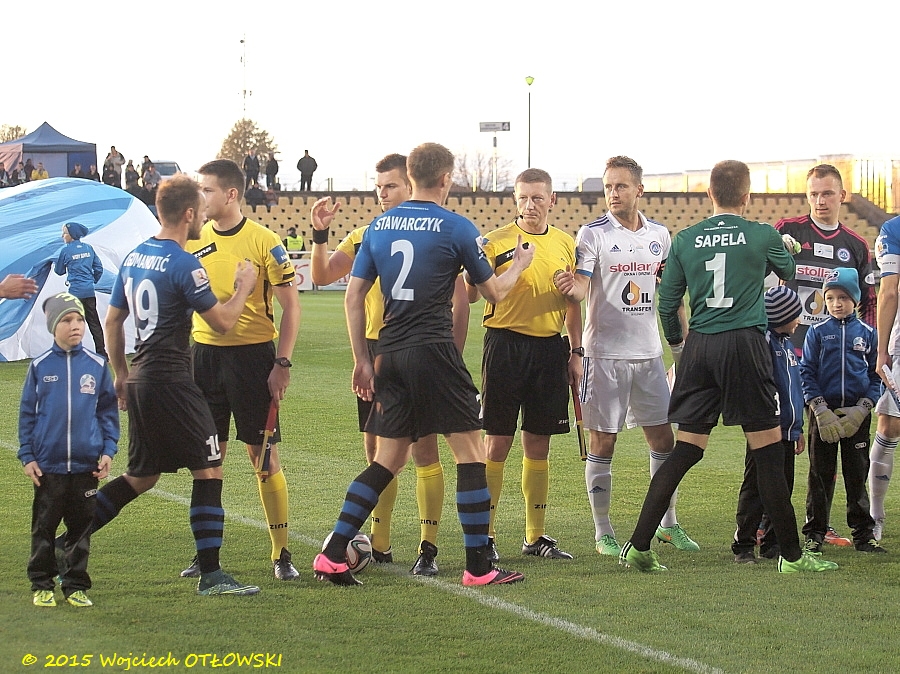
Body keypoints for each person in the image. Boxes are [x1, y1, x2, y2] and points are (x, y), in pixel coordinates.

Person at [313, 142, 534, 587]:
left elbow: (353, 296)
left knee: (388, 459)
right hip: (433, 350)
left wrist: (362, 360)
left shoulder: (378, 228)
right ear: (446, 178)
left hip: (388, 352)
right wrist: (520, 265)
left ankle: (333, 554)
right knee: (470, 452)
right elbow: (491, 292)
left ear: (410, 176)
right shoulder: (456, 227)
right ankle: (478, 567)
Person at [618, 159, 838, 574]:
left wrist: (680, 347)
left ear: (709, 194)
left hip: (701, 346)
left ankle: (639, 545)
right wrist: (785, 249)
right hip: (744, 346)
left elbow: (668, 303)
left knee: (687, 449)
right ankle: (792, 557)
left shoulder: (685, 239)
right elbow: (788, 270)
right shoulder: (761, 234)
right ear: (747, 196)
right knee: (767, 451)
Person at [86, 174, 261, 596]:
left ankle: (62, 543)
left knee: (141, 476)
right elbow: (222, 323)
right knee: (210, 469)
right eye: (200, 211)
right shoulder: (184, 264)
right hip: (173, 383)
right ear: (188, 214)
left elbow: (112, 320)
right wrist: (244, 287)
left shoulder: (135, 257)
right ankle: (212, 575)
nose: (204, 217)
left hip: (142, 379)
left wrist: (121, 373)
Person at [310, 152, 469, 576]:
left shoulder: (433, 232)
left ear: (410, 184)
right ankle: (380, 545)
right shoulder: (367, 234)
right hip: (378, 350)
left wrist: (453, 353)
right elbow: (322, 276)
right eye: (378, 187)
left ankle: (428, 548)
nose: (382, 194)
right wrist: (320, 234)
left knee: (424, 450)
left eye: (391, 186)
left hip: (417, 347)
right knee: (378, 451)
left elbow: (460, 300)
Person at [556, 156, 696, 558]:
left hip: (649, 355)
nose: (613, 194)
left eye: (620, 186)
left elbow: (671, 295)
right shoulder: (592, 234)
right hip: (604, 357)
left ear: (639, 190)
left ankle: (667, 525)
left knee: (664, 440)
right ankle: (603, 532)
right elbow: (581, 289)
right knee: (603, 442)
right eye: (608, 187)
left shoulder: (660, 235)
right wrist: (570, 286)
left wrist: (683, 347)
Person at [182, 159, 301, 581]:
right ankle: (206, 554)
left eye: (207, 190)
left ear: (231, 194)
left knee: (263, 456)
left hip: (253, 360)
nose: (201, 197)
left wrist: (281, 362)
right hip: (204, 359)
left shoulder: (264, 241)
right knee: (207, 460)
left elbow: (291, 307)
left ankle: (281, 553)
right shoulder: (192, 240)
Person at [466, 167, 580, 562]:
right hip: (505, 346)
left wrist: (576, 351)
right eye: (523, 198)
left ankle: (535, 536)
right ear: (515, 200)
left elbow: (573, 303)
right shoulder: (495, 241)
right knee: (497, 441)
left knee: (539, 442)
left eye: (537, 198)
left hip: (549, 349)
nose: (530, 205)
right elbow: (472, 295)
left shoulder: (565, 243)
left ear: (552, 200)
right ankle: (486, 535)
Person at [19, 293, 119, 608]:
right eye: (67, 320)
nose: (75, 326)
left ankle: (75, 585)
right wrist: (28, 456)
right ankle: (42, 584)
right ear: (53, 326)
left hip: (86, 465)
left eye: (79, 319)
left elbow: (107, 413)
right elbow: (27, 415)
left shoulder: (97, 365)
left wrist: (108, 450)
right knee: (44, 527)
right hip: (48, 466)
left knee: (80, 529)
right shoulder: (40, 367)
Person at [800, 268, 885, 553]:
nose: (837, 304)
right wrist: (819, 408)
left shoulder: (869, 334)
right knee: (820, 475)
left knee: (856, 474)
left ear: (855, 300)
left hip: (856, 417)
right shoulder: (817, 332)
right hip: (823, 415)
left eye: (843, 298)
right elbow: (806, 372)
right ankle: (815, 533)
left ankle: (863, 535)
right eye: (831, 298)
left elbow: (876, 376)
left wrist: (863, 408)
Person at [732, 286, 805, 562]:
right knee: (755, 488)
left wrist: (797, 428)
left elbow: (794, 390)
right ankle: (744, 544)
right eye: (794, 314)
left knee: (783, 488)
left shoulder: (787, 344)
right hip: (765, 431)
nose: (799, 320)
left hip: (787, 431)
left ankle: (774, 543)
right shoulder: (764, 343)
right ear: (781, 316)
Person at [872, 214, 900, 541]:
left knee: (890, 426)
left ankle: (875, 517)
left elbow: (889, 292)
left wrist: (882, 352)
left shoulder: (893, 229)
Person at [54, 222, 106, 358]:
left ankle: (72, 352)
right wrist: (92, 281)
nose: (62, 236)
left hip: (75, 293)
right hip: (89, 291)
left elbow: (59, 271)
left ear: (72, 235)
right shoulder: (89, 248)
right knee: (94, 323)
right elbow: (99, 268)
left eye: (64, 233)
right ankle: (102, 352)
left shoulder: (65, 251)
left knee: (70, 323)